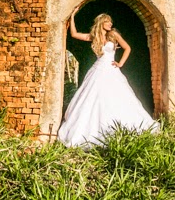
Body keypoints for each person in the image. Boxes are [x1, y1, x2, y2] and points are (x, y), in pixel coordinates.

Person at [57, 8, 159, 147]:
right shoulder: (94, 36)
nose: (110, 24)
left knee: (117, 96)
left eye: (110, 22)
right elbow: (74, 34)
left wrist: (120, 63)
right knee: (93, 97)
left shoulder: (113, 35)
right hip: (98, 69)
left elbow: (127, 48)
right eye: (107, 22)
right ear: (101, 23)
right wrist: (73, 15)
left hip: (111, 69)